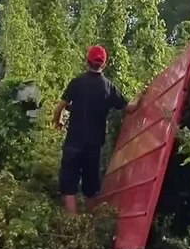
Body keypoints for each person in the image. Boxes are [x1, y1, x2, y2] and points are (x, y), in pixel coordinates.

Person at [52, 45, 138, 214]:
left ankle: (74, 226)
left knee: (69, 187)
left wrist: (58, 121)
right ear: (104, 65)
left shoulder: (76, 83)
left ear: (87, 61)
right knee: (91, 188)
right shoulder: (109, 87)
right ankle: (91, 226)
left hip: (73, 142)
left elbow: (59, 108)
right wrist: (142, 96)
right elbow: (130, 108)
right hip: (94, 146)